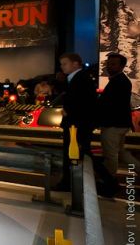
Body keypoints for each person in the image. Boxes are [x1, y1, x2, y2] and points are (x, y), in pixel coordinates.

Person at [98, 53, 140, 193]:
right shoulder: (119, 80)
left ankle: (109, 183)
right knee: (121, 153)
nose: (109, 66)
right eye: (108, 63)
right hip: (119, 124)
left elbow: (111, 105)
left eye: (113, 64)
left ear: (122, 66)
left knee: (111, 155)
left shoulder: (119, 81)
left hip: (113, 125)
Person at [56, 53, 97, 191]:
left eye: (65, 63)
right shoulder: (76, 78)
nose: (62, 67)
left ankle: (68, 183)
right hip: (77, 124)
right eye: (61, 64)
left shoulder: (81, 78)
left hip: (77, 125)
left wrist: (68, 111)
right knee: (80, 153)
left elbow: (84, 102)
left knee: (76, 153)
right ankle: (70, 182)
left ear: (75, 64)